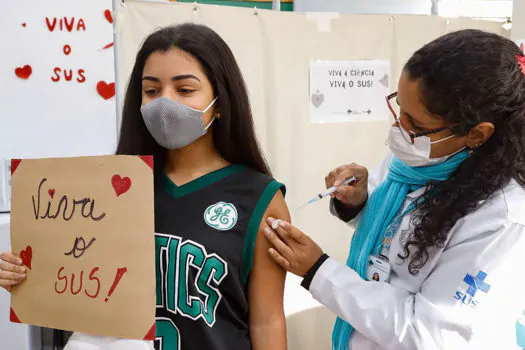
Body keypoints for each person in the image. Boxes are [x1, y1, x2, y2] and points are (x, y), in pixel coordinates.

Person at [0, 23, 290, 350]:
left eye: (184, 89)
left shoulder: (261, 199)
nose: (164, 103)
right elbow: (75, 286)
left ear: (220, 100)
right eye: (151, 91)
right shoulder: (109, 191)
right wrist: (27, 277)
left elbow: (267, 321)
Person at [263, 29, 525, 349]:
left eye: (415, 124)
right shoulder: (420, 156)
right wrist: (359, 203)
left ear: (477, 135)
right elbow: (397, 232)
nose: (399, 128)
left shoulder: (501, 219)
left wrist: (318, 270)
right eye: (399, 107)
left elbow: (426, 334)